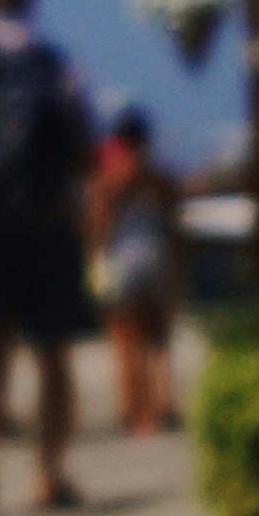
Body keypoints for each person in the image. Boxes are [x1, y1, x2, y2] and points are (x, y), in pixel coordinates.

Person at [0, 0, 96, 516]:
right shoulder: (54, 63)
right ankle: (50, 472)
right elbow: (83, 145)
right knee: (53, 353)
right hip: (47, 226)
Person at [92, 102, 178, 436]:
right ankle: (163, 406)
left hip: (122, 262)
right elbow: (174, 224)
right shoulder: (159, 178)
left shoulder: (109, 176)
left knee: (125, 341)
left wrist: (95, 257)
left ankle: (135, 411)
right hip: (158, 258)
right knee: (158, 341)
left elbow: (98, 222)